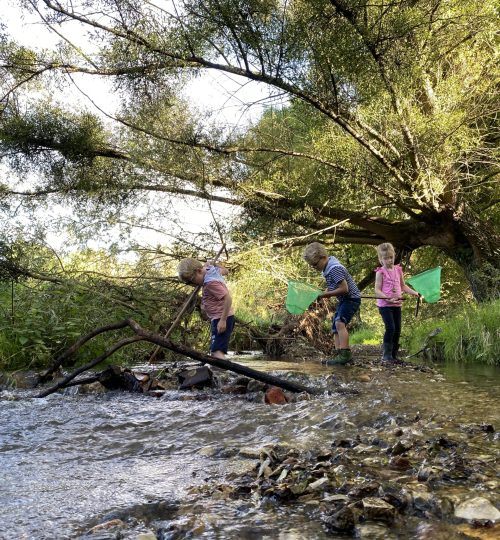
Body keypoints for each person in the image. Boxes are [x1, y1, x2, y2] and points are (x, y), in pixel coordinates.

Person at [303, 242, 361, 365]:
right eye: (312, 266)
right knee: (335, 326)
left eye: (315, 264)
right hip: (344, 300)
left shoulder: (334, 269)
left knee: (340, 323)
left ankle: (345, 354)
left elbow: (344, 289)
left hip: (351, 299)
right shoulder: (327, 268)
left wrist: (325, 295)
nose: (314, 267)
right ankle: (338, 354)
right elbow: (332, 287)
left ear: (323, 257)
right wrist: (323, 293)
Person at [177, 258, 234, 359]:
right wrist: (215, 264)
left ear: (199, 271)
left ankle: (222, 373)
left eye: (192, 280)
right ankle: (219, 372)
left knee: (217, 352)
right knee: (215, 350)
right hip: (218, 318)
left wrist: (223, 320)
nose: (193, 284)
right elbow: (226, 271)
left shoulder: (211, 283)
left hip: (222, 318)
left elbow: (228, 299)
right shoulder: (211, 271)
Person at [374, 243, 420, 361]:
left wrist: (415, 292)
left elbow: (403, 286)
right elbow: (377, 290)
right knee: (391, 328)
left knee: (398, 329)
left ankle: (394, 354)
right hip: (385, 305)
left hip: (397, 305)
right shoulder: (380, 272)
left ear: (394, 256)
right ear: (380, 259)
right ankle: (386, 355)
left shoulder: (398, 270)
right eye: (385, 258)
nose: (389, 260)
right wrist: (387, 298)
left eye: (391, 257)